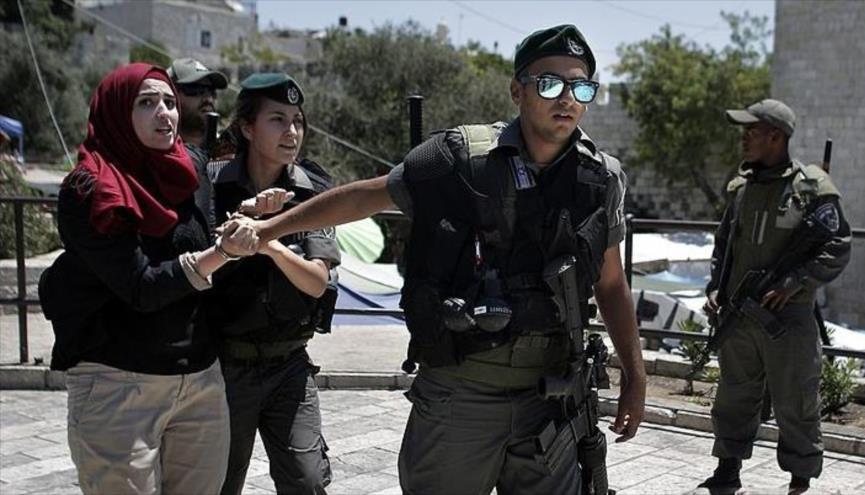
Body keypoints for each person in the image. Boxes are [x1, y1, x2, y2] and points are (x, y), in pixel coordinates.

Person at [246, 25, 646, 494]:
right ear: (517, 91)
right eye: (549, 84)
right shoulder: (461, 159)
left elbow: (612, 283)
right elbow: (365, 199)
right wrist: (269, 230)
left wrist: (635, 373)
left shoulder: (601, 176)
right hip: (462, 394)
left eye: (581, 87)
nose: (567, 99)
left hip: (552, 399)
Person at [37, 63, 257, 495]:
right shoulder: (89, 189)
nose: (165, 113)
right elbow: (141, 286)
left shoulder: (190, 167)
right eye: (146, 102)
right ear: (117, 111)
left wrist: (244, 221)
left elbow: (201, 237)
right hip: (118, 384)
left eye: (170, 102)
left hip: (199, 382)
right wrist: (219, 254)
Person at [700, 99, 851, 494]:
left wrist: (794, 282)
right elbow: (723, 247)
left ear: (776, 136)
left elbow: (837, 246)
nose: (745, 137)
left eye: (753, 130)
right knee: (734, 395)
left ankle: (799, 479)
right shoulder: (741, 188)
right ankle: (727, 469)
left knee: (796, 401)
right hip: (739, 316)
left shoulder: (812, 188)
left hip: (788, 318)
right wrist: (716, 286)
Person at [202, 73, 340, 495]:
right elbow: (192, 269)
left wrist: (266, 241)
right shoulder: (208, 185)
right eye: (277, 120)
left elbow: (317, 282)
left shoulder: (313, 190)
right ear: (247, 127)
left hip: (289, 365)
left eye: (297, 121)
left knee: (308, 481)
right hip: (224, 366)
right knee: (217, 484)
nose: (292, 132)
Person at [167, 57, 228, 148]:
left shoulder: (227, 153)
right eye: (195, 89)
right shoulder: (159, 153)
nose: (208, 99)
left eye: (211, 91)